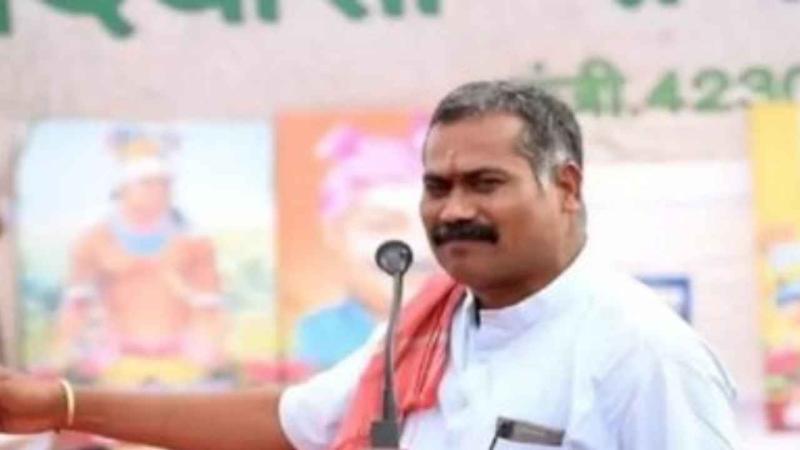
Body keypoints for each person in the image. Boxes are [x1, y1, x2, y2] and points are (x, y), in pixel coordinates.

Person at [0, 80, 737, 449]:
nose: (453, 210)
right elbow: (290, 421)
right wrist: (65, 406)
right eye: (437, 186)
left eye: (485, 183)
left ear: (566, 186)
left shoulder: (643, 353)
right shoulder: (428, 327)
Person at [51, 129, 226, 385]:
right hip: (112, 363)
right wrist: (65, 360)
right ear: (123, 187)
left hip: (183, 363)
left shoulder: (195, 242)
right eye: (147, 183)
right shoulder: (94, 240)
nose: (159, 190)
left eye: (165, 183)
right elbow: (76, 308)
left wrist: (212, 355)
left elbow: (210, 309)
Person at [293, 121, 437, 372]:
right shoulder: (314, 334)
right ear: (336, 234)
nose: (417, 248)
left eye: (432, 225)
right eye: (383, 225)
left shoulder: (474, 329)